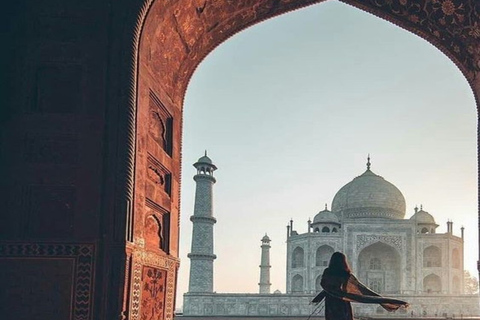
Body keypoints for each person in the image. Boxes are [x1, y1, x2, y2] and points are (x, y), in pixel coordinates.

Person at [312, 252, 408, 320]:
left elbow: (325, 286)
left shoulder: (327, 272)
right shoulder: (345, 274)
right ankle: (396, 303)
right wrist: (380, 299)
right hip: (342, 301)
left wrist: (321, 296)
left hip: (331, 302)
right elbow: (360, 289)